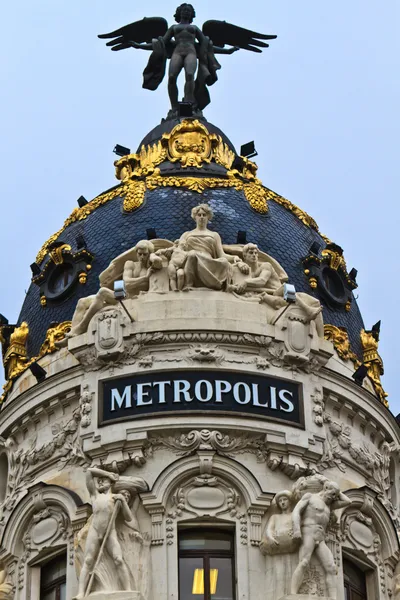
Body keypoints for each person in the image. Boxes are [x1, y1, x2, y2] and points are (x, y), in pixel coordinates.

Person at [68, 240, 162, 336]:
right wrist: (145, 278)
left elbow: (159, 261)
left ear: (149, 254)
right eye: (139, 254)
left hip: (132, 300)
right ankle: (72, 336)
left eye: (145, 254)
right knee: (82, 302)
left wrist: (153, 256)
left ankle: (81, 328)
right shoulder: (130, 264)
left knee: (103, 292)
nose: (141, 257)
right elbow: (126, 283)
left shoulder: (152, 268)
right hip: (122, 295)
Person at [230, 243, 324, 336]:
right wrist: (238, 263)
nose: (254, 255)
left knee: (311, 300)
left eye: (256, 253)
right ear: (244, 256)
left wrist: (246, 282)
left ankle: (320, 339)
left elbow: (262, 281)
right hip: (273, 297)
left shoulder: (265, 266)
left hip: (280, 293)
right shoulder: (248, 272)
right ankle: (309, 313)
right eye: (251, 253)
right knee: (311, 301)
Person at [75, 468, 134, 599]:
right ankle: (81, 593)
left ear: (111, 484)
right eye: (99, 480)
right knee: (88, 560)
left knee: (118, 559)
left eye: (104, 481)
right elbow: (89, 472)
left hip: (110, 532)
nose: (100, 482)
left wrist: (123, 501)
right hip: (95, 531)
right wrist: (108, 474)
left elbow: (128, 518)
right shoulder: (95, 495)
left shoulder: (116, 498)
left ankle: (128, 589)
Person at [290, 481, 352, 598]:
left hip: (321, 537)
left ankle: (333, 598)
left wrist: (337, 491)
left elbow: (348, 501)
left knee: (332, 568)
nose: (334, 497)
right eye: (332, 494)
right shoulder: (310, 497)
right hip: (308, 531)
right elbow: (296, 511)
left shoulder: (329, 505)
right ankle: (293, 593)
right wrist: (296, 530)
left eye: (335, 495)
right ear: (326, 488)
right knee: (304, 562)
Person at [178, 204, 233, 290]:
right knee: (192, 254)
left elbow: (222, 255)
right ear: (195, 217)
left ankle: (215, 282)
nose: (202, 217)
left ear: (208, 218)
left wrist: (235, 258)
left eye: (204, 215)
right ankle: (188, 284)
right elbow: (178, 251)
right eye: (199, 215)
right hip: (191, 260)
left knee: (224, 261)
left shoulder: (214, 235)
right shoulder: (187, 234)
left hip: (209, 261)